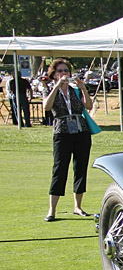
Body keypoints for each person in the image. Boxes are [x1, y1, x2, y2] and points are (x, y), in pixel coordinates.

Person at [42, 59, 93, 221]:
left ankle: (77, 206)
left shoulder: (75, 90)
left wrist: (84, 89)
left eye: (66, 71)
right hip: (62, 133)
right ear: (54, 74)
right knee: (59, 168)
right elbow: (46, 107)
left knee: (80, 168)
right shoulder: (50, 90)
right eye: (60, 71)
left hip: (81, 131)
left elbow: (89, 106)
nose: (64, 73)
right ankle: (52, 209)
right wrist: (57, 86)